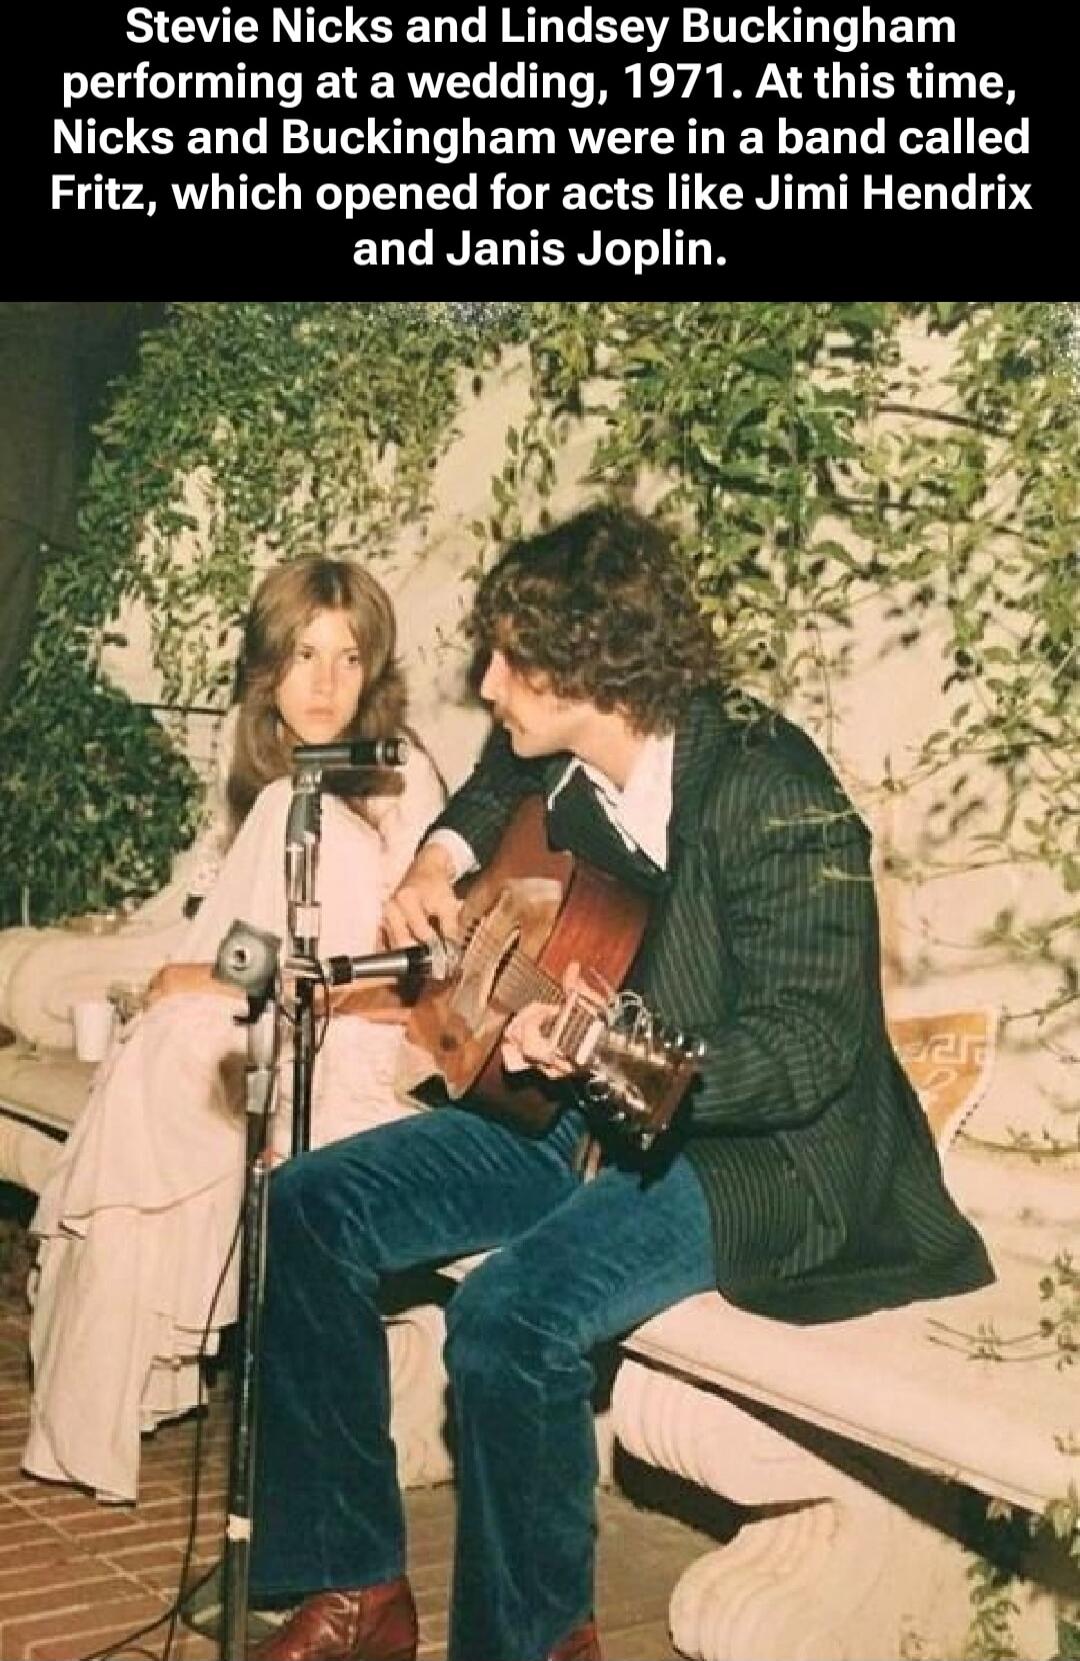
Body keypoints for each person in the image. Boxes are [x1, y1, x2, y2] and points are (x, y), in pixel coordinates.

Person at [241, 508, 994, 1661]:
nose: (485, 684)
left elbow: (810, 1048)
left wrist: (604, 1052)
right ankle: (356, 1588)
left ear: (583, 669)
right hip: (578, 1109)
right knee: (310, 1203)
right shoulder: (571, 747)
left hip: (752, 1151)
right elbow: (494, 776)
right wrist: (439, 857)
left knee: (509, 1318)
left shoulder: (770, 787)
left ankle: (537, 1643)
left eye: (504, 660)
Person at [22, 554, 444, 1505]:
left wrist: (193, 979)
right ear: (269, 672)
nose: (326, 683)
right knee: (161, 1049)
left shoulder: (396, 777)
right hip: (280, 1014)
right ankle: (103, 1395)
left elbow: (387, 966)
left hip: (358, 1035)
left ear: (374, 670)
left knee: (168, 1051)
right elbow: (254, 936)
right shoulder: (282, 790)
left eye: (346, 658)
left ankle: (109, 1393)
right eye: (303, 656)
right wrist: (189, 979)